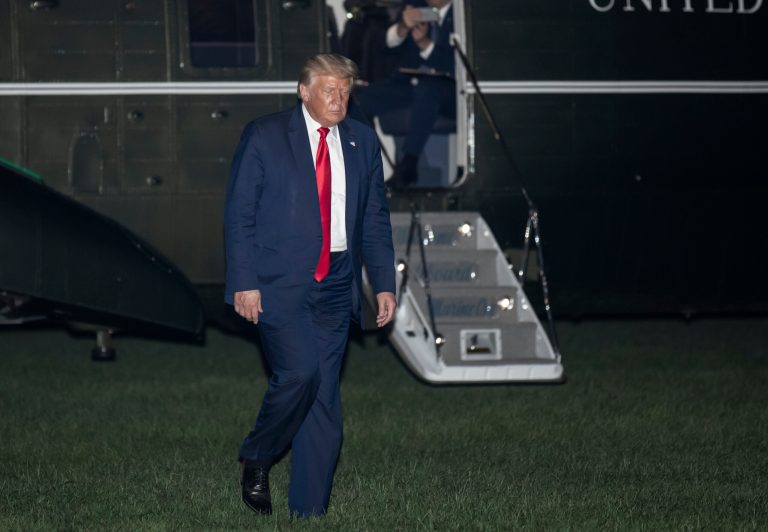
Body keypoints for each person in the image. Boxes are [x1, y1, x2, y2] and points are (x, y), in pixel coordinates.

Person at [223, 53, 397, 517]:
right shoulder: (265, 134)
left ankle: (309, 512)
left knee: (324, 401)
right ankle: (258, 456)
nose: (338, 99)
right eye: (328, 90)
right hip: (279, 282)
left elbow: (375, 219)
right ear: (304, 90)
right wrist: (245, 282)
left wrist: (383, 282)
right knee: (300, 373)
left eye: (345, 90)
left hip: (338, 281)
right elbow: (239, 215)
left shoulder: (361, 141)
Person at [353, 0, 455, 187]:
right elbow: (387, 43)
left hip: (451, 91)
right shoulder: (416, 7)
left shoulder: (462, 15)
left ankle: (409, 163)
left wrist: (424, 43)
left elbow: (457, 66)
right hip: (411, 83)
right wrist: (402, 26)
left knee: (428, 88)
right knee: (360, 98)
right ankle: (367, 165)